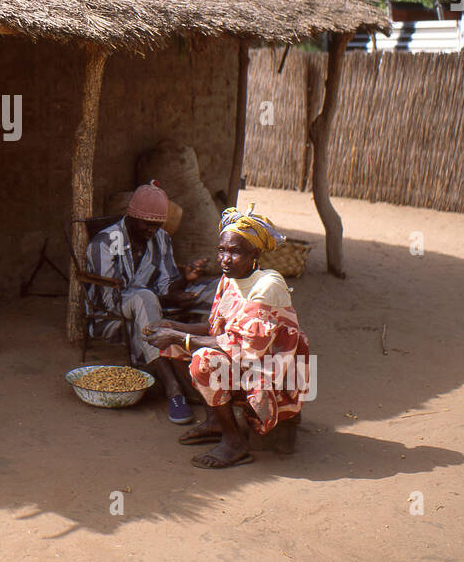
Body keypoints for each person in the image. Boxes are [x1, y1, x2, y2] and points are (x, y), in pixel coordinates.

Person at [145, 205, 310, 469]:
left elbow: (246, 347)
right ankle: (214, 421)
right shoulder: (229, 279)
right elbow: (217, 331)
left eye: (235, 251)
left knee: (203, 362)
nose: (225, 258)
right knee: (175, 349)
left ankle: (235, 442)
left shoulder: (268, 285)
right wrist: (172, 326)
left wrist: (178, 336)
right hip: (243, 356)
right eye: (222, 250)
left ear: (255, 253)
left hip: (270, 367)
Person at [86, 181, 215, 425]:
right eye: (147, 225)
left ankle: (211, 374)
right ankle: (174, 389)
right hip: (113, 316)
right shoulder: (105, 243)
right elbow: (108, 300)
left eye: (157, 225)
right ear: (132, 217)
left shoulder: (161, 238)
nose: (152, 231)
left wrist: (183, 282)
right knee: (144, 298)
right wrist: (163, 298)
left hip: (155, 307)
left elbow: (166, 284)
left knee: (214, 290)